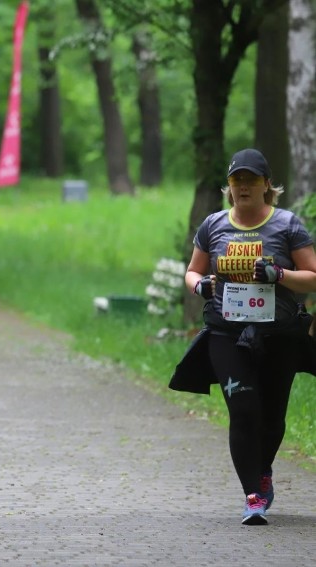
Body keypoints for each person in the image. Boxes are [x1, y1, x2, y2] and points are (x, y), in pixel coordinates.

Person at [170, 148, 316, 525]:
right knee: (244, 409)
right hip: (226, 330)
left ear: (268, 186)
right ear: (229, 188)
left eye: (252, 180)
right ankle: (253, 495)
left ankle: (263, 471)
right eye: (237, 180)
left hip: (279, 334)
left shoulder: (287, 225)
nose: (244, 187)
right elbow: (191, 272)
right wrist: (200, 285)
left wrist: (279, 275)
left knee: (272, 416)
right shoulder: (213, 225)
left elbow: (312, 275)